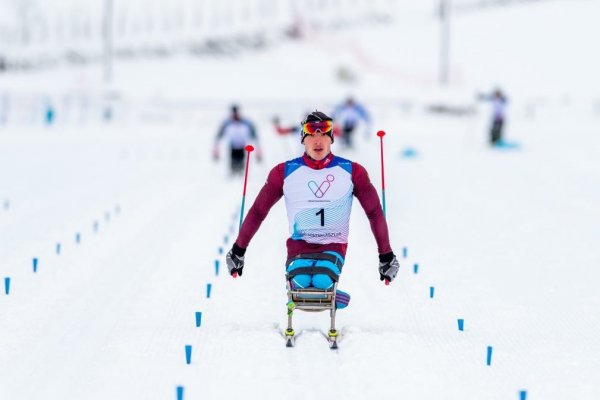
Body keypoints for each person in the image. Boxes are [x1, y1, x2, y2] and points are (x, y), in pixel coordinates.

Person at [225, 110, 399, 310]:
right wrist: (238, 250)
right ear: (303, 139)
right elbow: (258, 211)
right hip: (300, 245)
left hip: (333, 244)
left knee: (322, 283)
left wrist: (386, 255)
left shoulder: (352, 171)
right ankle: (316, 291)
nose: (318, 140)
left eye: (324, 134)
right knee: (301, 287)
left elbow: (374, 212)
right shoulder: (284, 172)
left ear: (331, 138)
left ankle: (332, 294)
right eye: (312, 134)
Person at [213, 104, 261, 174]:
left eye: (236, 112)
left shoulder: (246, 122)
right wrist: (216, 150)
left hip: (242, 146)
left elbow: (254, 135)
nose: (235, 114)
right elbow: (219, 135)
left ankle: (240, 172)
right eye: (233, 112)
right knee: (233, 162)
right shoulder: (227, 122)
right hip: (232, 146)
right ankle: (233, 172)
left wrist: (258, 151)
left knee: (241, 162)